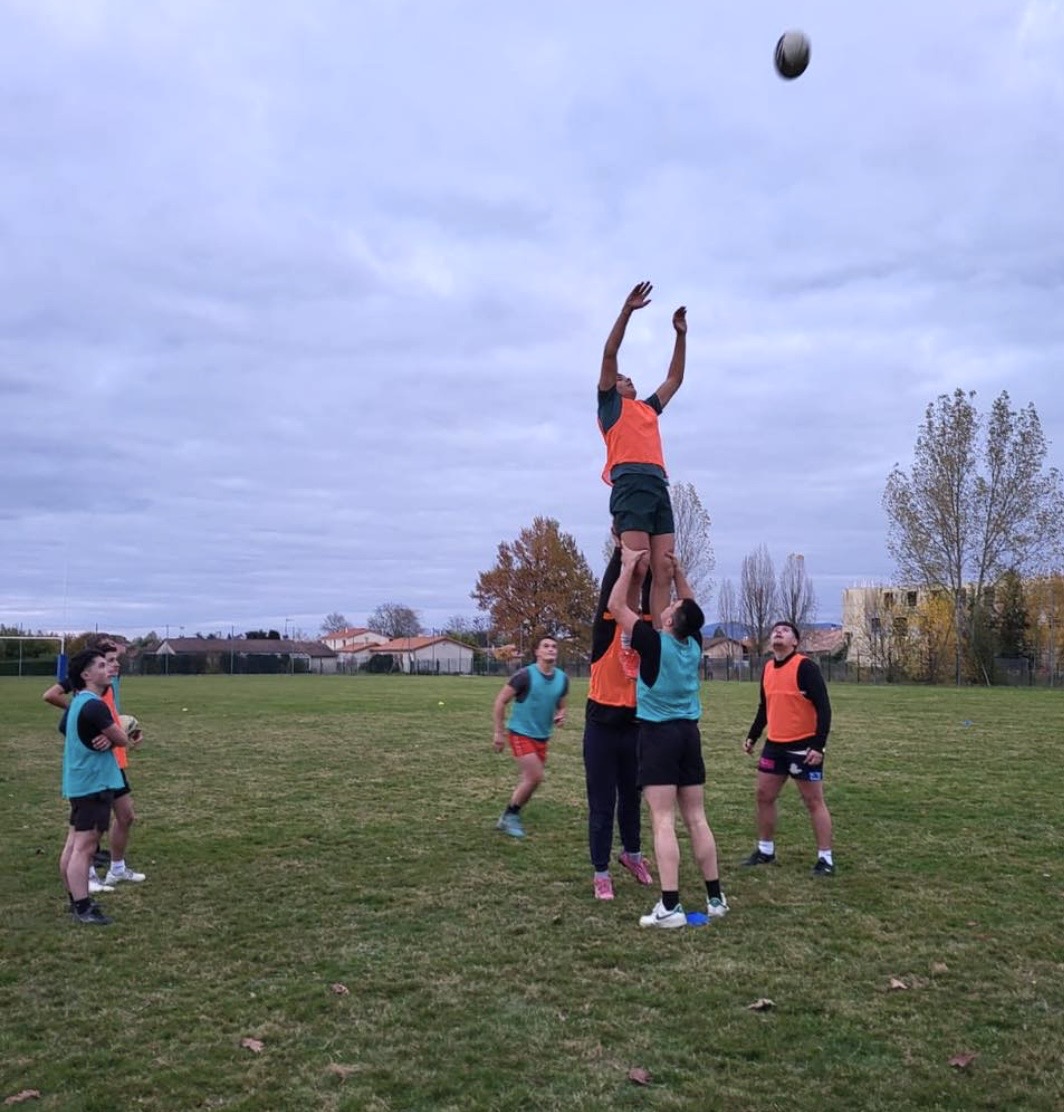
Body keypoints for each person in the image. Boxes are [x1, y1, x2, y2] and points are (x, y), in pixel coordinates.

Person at [608, 545, 728, 929]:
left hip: (659, 737)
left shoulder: (653, 640)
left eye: (673, 606)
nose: (671, 604)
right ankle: (715, 897)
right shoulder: (692, 644)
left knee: (662, 819)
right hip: (689, 736)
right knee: (696, 817)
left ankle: (671, 906)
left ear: (674, 620)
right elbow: (692, 606)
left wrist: (627, 567)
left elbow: (615, 604)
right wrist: (677, 572)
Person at [598, 281, 687, 672]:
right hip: (630, 484)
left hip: (657, 485)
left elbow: (675, 379)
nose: (627, 379)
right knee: (636, 565)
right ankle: (630, 644)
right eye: (621, 378)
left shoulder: (649, 409)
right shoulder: (610, 407)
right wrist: (627, 311)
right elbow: (610, 353)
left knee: (663, 567)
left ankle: (662, 643)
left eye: (629, 378)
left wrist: (680, 336)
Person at [583, 536, 655, 900]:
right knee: (602, 802)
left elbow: (647, 601)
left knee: (631, 797)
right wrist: (619, 555)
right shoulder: (604, 636)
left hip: (634, 728)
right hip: (601, 729)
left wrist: (655, 567)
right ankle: (600, 872)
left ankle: (633, 854)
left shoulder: (644, 639)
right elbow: (609, 598)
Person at [44, 639, 146, 890]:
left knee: (126, 815)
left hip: (113, 764)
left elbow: (114, 721)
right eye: (108, 661)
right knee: (86, 833)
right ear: (92, 667)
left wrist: (128, 729)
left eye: (114, 661)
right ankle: (86, 878)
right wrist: (91, 732)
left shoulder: (108, 686)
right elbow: (65, 719)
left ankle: (117, 868)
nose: (114, 666)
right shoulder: (85, 690)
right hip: (94, 771)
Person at [741, 621, 835, 876]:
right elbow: (765, 706)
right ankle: (765, 850)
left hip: (804, 746)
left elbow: (824, 708)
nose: (777, 633)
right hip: (774, 746)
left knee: (813, 801)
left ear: (795, 642)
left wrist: (819, 745)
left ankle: (825, 859)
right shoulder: (768, 668)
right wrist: (753, 736)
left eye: (784, 631)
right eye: (774, 631)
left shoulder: (805, 667)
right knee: (763, 795)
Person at [58, 648, 131, 925]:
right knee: (84, 847)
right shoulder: (94, 705)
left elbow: (70, 729)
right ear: (86, 674)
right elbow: (123, 738)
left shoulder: (78, 701)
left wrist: (104, 737)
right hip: (93, 783)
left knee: (74, 844)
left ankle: (74, 899)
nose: (108, 669)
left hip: (80, 781)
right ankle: (83, 906)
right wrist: (116, 735)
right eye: (101, 665)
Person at [492, 636, 569, 839]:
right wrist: (499, 732)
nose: (551, 649)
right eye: (546, 646)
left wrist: (561, 715)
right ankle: (510, 816)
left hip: (542, 737)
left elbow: (562, 705)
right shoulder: (524, 676)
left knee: (531, 781)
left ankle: (509, 815)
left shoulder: (562, 678)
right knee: (535, 776)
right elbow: (500, 701)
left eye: (554, 646)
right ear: (537, 652)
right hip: (520, 733)